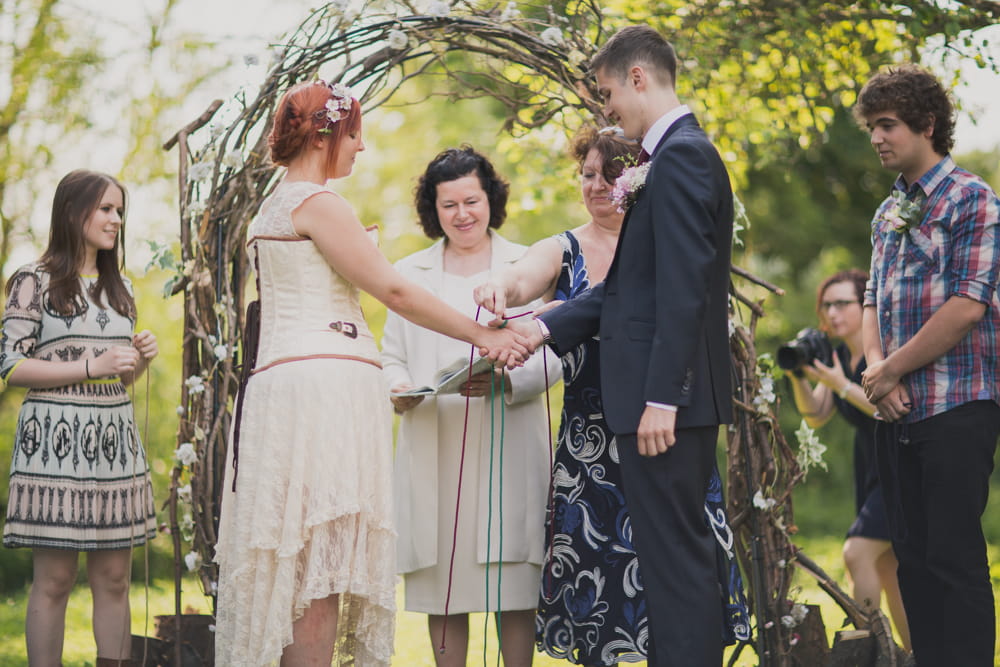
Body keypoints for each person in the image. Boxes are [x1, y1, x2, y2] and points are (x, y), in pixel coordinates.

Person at [212, 82, 528, 666]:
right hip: (321, 394)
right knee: (321, 567)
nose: (361, 146)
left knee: (302, 560)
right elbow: (392, 288)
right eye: (354, 133)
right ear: (326, 134)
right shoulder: (318, 202)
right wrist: (483, 334)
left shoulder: (277, 203)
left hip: (292, 387)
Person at [481, 26, 735, 666]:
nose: (608, 108)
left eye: (608, 91)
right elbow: (630, 289)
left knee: (678, 572)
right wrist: (542, 325)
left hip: (664, 407)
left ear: (639, 77)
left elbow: (684, 293)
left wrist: (662, 399)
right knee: (668, 570)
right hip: (655, 404)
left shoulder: (681, 157)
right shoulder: (670, 157)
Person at [383, 146, 561, 667]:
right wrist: (399, 388)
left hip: (509, 439)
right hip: (434, 440)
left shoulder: (528, 266)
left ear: (491, 199)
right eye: (448, 205)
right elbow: (391, 355)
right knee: (445, 579)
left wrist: (508, 382)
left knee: (514, 584)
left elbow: (557, 354)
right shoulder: (407, 273)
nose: (462, 214)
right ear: (432, 210)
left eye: (471, 201)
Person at [854, 64, 1000, 666]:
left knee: (953, 557)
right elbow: (871, 301)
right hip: (896, 412)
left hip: (958, 405)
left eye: (887, 125)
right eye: (871, 128)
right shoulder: (887, 211)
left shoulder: (973, 198)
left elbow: (968, 305)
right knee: (910, 558)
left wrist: (892, 370)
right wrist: (876, 369)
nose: (877, 138)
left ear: (927, 124)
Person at [1, 169, 159, 667]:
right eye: (106, 209)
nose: (116, 219)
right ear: (73, 212)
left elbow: (118, 379)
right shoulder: (33, 280)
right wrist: (91, 366)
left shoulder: (122, 289)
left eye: (119, 210)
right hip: (54, 446)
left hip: (114, 445)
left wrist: (139, 362)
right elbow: (10, 365)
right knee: (54, 580)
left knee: (114, 580)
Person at [788, 269, 910, 651]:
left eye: (843, 303)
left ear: (865, 305)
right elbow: (816, 414)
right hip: (868, 464)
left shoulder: (885, 348)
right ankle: (913, 654)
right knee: (888, 568)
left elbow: (886, 409)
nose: (833, 312)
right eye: (827, 305)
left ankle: (873, 649)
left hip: (897, 461)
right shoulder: (838, 354)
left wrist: (840, 384)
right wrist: (800, 376)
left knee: (856, 553)